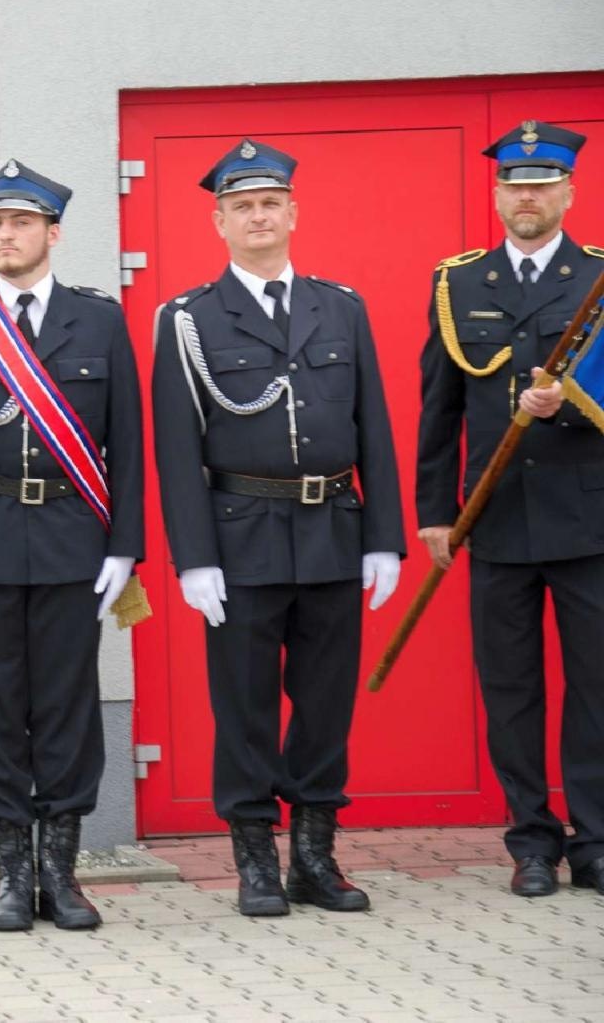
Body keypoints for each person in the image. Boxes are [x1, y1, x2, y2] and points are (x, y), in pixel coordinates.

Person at [151, 139, 405, 917]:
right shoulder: (188, 320)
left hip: (333, 526)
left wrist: (384, 535)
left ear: (293, 212)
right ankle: (256, 857)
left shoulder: (341, 306)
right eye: (242, 206)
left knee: (326, 703)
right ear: (218, 221)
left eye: (270, 203)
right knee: (246, 705)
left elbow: (374, 431)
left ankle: (316, 856)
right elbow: (175, 446)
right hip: (241, 536)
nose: (258, 216)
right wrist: (194, 557)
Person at [0, 159, 143, 932]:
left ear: (52, 233)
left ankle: (61, 875)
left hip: (75, 539)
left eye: (20, 223)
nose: (4, 236)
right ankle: (11, 874)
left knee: (69, 706)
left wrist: (124, 545)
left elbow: (128, 444)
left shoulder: (98, 320)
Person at [416, 121, 604, 898]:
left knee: (596, 683)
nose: (526, 196)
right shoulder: (460, 283)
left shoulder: (597, 278)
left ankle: (594, 839)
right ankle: (532, 840)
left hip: (588, 518)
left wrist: (564, 402)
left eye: (541, 183)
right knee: (511, 685)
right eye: (513, 184)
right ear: (497, 196)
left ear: (567, 191)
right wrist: (435, 510)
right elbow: (440, 404)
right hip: (493, 516)